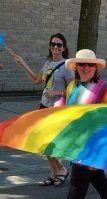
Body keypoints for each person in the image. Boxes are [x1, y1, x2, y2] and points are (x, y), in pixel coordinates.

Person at [43, 49, 107, 199]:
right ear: (76, 67)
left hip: (94, 144)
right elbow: (64, 105)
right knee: (95, 176)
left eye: (90, 64)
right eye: (82, 64)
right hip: (77, 142)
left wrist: (105, 146)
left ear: (95, 68)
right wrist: (55, 109)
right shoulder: (72, 86)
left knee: (78, 179)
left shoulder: (104, 88)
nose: (86, 67)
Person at [12, 33, 73, 187]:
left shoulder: (67, 65)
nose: (55, 47)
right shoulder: (47, 64)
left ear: (64, 48)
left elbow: (73, 89)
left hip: (56, 109)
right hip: (44, 107)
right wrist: (22, 63)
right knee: (44, 143)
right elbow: (35, 80)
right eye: (53, 44)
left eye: (59, 45)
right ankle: (54, 173)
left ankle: (62, 170)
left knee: (50, 143)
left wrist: (56, 93)